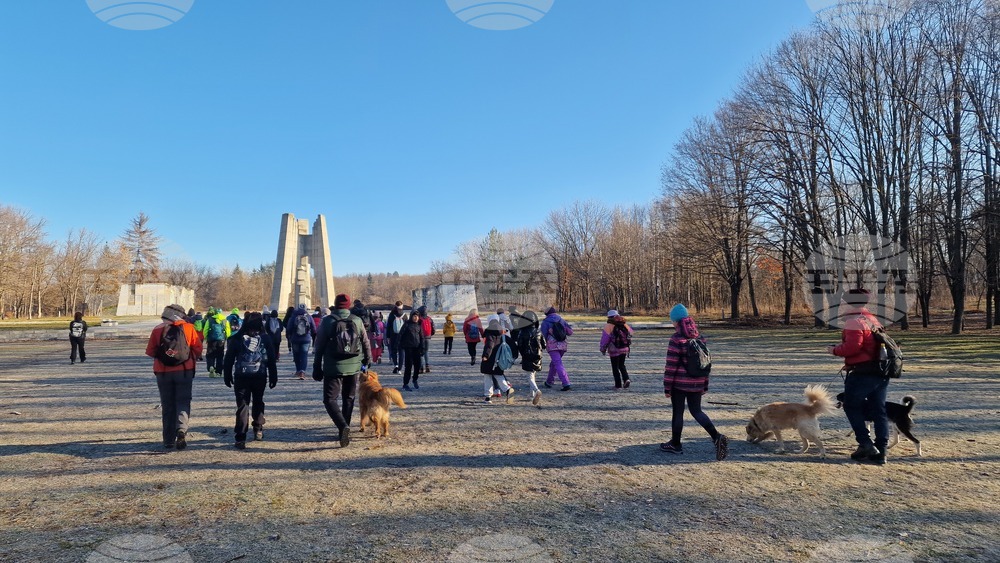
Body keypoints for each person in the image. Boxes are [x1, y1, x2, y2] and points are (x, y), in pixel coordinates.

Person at [829, 288, 890, 465]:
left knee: (851, 405)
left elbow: (853, 347)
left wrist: (834, 350)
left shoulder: (854, 322)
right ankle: (881, 450)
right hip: (880, 371)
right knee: (879, 410)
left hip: (862, 372)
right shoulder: (872, 319)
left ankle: (865, 443)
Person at [660, 303, 728, 461]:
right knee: (697, 411)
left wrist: (667, 387)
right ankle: (716, 437)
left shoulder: (676, 339)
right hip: (697, 382)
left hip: (679, 384)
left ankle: (675, 444)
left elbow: (671, 366)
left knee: (678, 413)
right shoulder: (699, 337)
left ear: (675, 321)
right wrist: (705, 384)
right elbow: (706, 364)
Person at [313, 294, 372, 448]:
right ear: (348, 305)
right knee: (349, 397)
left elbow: (319, 346)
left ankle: (342, 426)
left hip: (333, 366)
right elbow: (365, 341)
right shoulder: (357, 320)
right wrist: (368, 359)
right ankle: (344, 427)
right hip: (353, 366)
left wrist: (316, 366)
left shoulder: (327, 321)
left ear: (335, 304)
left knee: (329, 399)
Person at [145, 304, 203, 450]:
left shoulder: (158, 329)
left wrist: (167, 354)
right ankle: (181, 430)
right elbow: (198, 348)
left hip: (163, 372)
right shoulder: (189, 328)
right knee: (183, 401)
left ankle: (168, 440)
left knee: (167, 404)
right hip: (184, 370)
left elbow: (151, 351)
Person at [223, 312, 278, 449]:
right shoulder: (265, 338)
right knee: (258, 401)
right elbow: (271, 358)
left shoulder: (237, 338)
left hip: (241, 376)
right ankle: (258, 428)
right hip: (260, 375)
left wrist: (227, 375)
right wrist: (273, 376)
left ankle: (240, 436)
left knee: (243, 405)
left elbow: (229, 359)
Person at [481, 318, 515, 404]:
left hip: (490, 360)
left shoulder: (490, 334)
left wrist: (485, 356)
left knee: (487, 377)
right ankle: (507, 390)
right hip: (499, 359)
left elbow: (489, 345)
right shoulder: (503, 335)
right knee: (499, 375)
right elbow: (512, 345)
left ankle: (488, 397)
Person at [540, 306, 574, 391]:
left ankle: (566, 383)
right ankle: (549, 381)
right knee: (554, 363)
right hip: (563, 344)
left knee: (558, 364)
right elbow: (570, 332)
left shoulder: (545, 322)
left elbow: (543, 335)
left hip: (552, 346)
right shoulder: (561, 320)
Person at [516, 310, 545, 406]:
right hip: (537, 356)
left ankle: (536, 391)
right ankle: (531, 395)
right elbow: (544, 345)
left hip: (527, 355)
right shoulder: (538, 331)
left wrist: (521, 353)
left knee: (529, 376)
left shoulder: (522, 332)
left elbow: (519, 345)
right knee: (533, 374)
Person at [600, 310, 633, 390]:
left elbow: (605, 339)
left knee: (615, 367)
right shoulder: (624, 324)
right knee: (622, 365)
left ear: (609, 317)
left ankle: (618, 385)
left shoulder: (608, 326)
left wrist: (602, 348)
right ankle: (626, 379)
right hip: (624, 348)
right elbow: (631, 332)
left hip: (614, 349)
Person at [286, 304, 316, 380]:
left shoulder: (293, 317)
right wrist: (312, 335)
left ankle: (298, 370)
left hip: (295, 339)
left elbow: (288, 328)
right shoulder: (309, 316)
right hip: (306, 339)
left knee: (296, 355)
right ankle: (302, 372)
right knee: (304, 355)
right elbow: (313, 328)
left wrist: (289, 336)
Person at [397, 309, 425, 391]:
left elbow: (422, 337)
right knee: (408, 367)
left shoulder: (419, 326)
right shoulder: (407, 324)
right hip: (408, 348)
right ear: (411, 316)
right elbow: (400, 335)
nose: (416, 318)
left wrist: (422, 348)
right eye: (414, 316)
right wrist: (399, 345)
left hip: (417, 348)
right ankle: (405, 384)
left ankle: (415, 379)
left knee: (417, 366)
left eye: (417, 316)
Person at [202, 307, 231, 377]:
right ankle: (219, 372)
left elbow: (205, 330)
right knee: (220, 356)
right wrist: (225, 337)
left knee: (210, 355)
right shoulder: (225, 320)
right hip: (221, 340)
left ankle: (211, 367)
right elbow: (228, 331)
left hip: (211, 340)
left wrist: (206, 338)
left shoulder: (210, 320)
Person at [385, 302, 406, 374]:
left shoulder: (391, 315)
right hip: (402, 336)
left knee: (393, 351)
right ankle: (400, 368)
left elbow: (388, 327)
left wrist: (388, 336)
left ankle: (396, 365)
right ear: (402, 306)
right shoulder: (404, 315)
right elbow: (407, 326)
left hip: (393, 335)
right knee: (401, 352)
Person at [418, 305, 435, 372]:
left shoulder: (419, 319)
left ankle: (421, 367)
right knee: (426, 351)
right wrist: (430, 334)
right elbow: (433, 329)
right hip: (428, 337)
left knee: (420, 352)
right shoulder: (429, 319)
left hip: (421, 337)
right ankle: (427, 365)